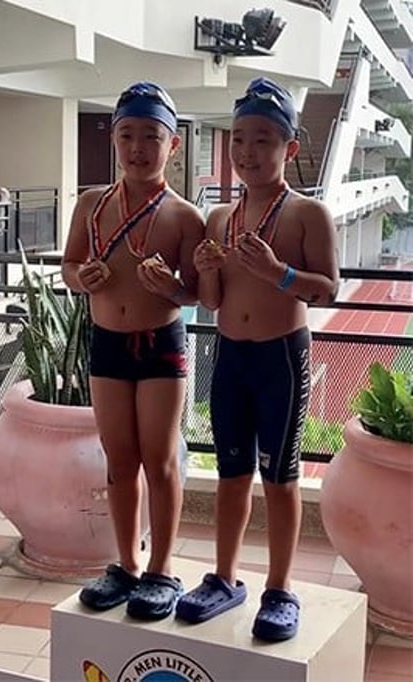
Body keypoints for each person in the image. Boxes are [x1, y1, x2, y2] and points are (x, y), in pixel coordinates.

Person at [175, 77, 339, 642]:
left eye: (263, 140)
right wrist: (209, 269)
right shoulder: (220, 218)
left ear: (289, 149)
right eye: (239, 139)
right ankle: (224, 578)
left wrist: (278, 273)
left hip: (281, 361)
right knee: (229, 474)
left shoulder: (307, 215)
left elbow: (328, 290)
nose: (247, 152)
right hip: (230, 358)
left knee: (280, 477)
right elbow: (211, 301)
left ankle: (280, 588)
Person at [61, 81, 204, 620]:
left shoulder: (183, 216)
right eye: (127, 135)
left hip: (161, 346)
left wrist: (169, 286)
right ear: (113, 141)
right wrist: (85, 279)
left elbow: (194, 292)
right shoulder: (91, 205)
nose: (138, 147)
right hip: (106, 345)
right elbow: (69, 267)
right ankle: (125, 564)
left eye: (151, 136)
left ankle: (162, 569)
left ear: (172, 146)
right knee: (119, 461)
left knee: (160, 461)